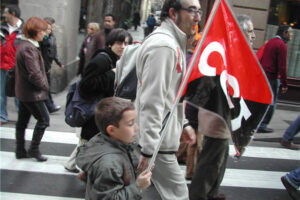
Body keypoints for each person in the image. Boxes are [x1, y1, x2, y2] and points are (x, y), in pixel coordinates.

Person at [134, 0, 201, 199]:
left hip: (158, 137)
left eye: (200, 11)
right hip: (156, 142)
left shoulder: (173, 42)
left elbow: (170, 96)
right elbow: (152, 100)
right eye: (192, 11)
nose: (197, 17)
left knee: (143, 191)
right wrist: (148, 148)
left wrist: (183, 124)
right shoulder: (165, 46)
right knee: (178, 194)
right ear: (173, 13)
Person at [187, 14, 256, 200]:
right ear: (240, 32)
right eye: (250, 31)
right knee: (210, 162)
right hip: (216, 117)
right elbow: (205, 86)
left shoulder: (232, 52)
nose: (254, 36)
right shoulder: (224, 52)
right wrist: (192, 119)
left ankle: (212, 193)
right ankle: (200, 195)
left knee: (219, 159)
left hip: (222, 116)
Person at [64, 28, 132, 173]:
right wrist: (110, 74)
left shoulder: (115, 59)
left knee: (90, 140)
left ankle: (73, 164)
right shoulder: (102, 59)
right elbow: (86, 85)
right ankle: (86, 170)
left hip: (102, 109)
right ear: (110, 44)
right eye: (120, 43)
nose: (123, 47)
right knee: (89, 140)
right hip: (94, 109)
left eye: (126, 43)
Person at [76, 97, 152, 200]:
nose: (136, 128)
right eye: (131, 124)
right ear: (111, 130)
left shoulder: (112, 142)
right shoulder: (109, 164)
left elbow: (121, 175)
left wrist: (137, 170)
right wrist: (138, 186)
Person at [14, 17, 49, 162]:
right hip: (32, 93)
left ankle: (20, 150)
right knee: (44, 120)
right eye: (42, 30)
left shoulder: (25, 45)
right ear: (35, 31)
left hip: (24, 91)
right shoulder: (28, 48)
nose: (44, 33)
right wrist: (45, 86)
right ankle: (33, 149)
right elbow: (34, 74)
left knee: (22, 122)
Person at [257, 24, 292, 133]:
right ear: (284, 33)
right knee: (271, 101)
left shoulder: (270, 42)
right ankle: (263, 125)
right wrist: (285, 83)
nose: (291, 35)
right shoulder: (281, 45)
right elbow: (282, 66)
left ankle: (258, 122)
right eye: (290, 32)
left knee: (262, 100)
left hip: (264, 75)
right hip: (272, 77)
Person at [0, 4, 23, 125]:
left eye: (5, 13)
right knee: (1, 93)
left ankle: (21, 117)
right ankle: (2, 116)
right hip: (2, 65)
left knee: (19, 93)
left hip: (17, 66)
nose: (4, 15)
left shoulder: (24, 29)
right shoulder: (1, 28)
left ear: (12, 14)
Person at [40, 17, 64, 113]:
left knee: (47, 87)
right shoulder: (43, 39)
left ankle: (50, 105)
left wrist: (59, 62)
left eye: (52, 27)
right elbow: (43, 52)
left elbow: (54, 52)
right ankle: (49, 106)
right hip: (43, 66)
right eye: (49, 28)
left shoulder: (52, 37)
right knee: (44, 87)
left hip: (48, 65)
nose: (52, 29)